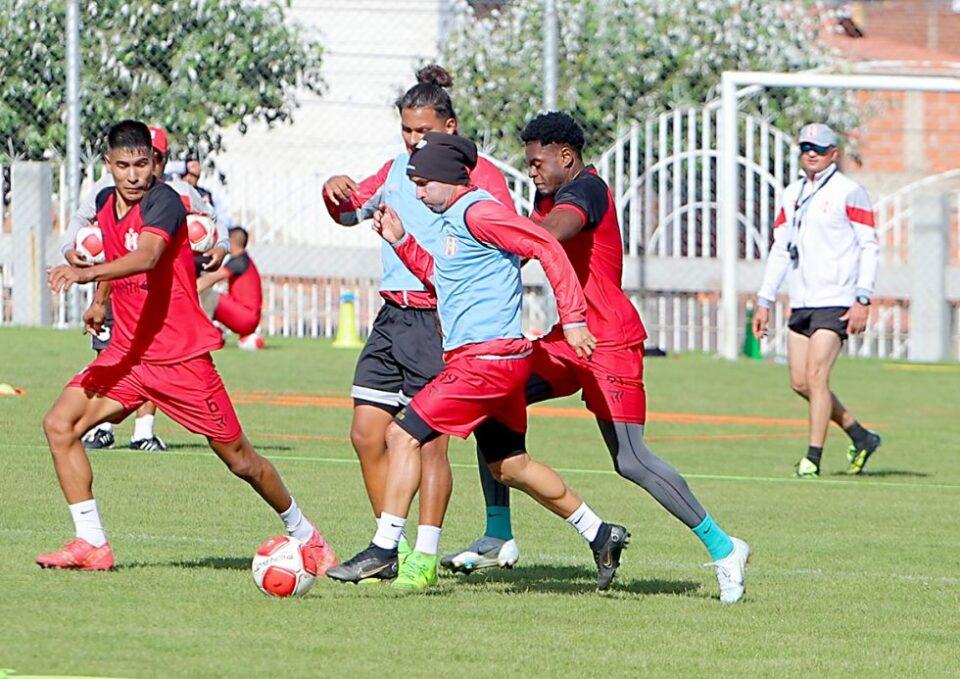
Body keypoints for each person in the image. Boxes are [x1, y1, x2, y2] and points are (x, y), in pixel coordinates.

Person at [442, 113, 750, 604]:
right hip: (569, 339)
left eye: (539, 162)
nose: (533, 172)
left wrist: (513, 236)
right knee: (493, 392)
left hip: (610, 341)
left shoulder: (587, 191)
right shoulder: (549, 193)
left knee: (631, 459)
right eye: (528, 164)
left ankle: (725, 546)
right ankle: (498, 532)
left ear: (567, 156)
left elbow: (555, 231)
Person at [326, 133, 629, 593]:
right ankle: (600, 533)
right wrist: (404, 241)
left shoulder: (480, 211)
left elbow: (546, 248)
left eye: (424, 185)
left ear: (449, 180)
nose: (419, 194)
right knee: (510, 466)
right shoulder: (453, 218)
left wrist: (573, 320)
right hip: (497, 363)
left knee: (401, 435)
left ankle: (385, 548)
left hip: (484, 362)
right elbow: (441, 279)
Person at [38, 120, 336, 573]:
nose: (135, 175)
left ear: (153, 165)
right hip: (128, 354)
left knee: (241, 461)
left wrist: (84, 275)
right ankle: (91, 542)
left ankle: (305, 534)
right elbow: (116, 255)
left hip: (180, 359)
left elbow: (148, 257)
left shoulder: (164, 203)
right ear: (108, 166)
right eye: (124, 166)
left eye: (142, 165)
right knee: (60, 426)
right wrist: (100, 302)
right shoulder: (103, 202)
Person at [321, 65, 516, 576]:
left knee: (427, 443)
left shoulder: (484, 177)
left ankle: (424, 557)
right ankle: (391, 550)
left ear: (450, 127)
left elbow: (512, 245)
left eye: (422, 131)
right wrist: (334, 192)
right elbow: (348, 215)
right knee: (367, 434)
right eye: (406, 130)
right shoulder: (392, 172)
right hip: (392, 318)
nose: (412, 141)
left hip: (439, 321)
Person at [62, 125, 229, 452]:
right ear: (112, 163)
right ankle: (104, 428)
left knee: (232, 449)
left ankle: (143, 430)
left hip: (164, 302)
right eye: (129, 164)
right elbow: (86, 225)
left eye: (155, 159)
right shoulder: (106, 191)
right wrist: (73, 252)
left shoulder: (175, 194)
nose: (143, 170)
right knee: (107, 353)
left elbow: (210, 221)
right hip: (118, 290)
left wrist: (220, 245)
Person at [753, 123, 882, 478]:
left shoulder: (849, 192)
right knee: (800, 382)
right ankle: (860, 435)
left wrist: (862, 298)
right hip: (802, 299)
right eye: (806, 147)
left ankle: (812, 458)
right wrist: (765, 299)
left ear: (834, 154)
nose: (812, 153)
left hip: (837, 298)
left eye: (820, 148)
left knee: (817, 375)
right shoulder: (791, 194)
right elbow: (781, 248)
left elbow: (869, 246)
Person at [197, 226, 263, 343]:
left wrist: (188, 287)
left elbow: (211, 279)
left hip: (245, 317)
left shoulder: (239, 262)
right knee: (210, 295)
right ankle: (215, 333)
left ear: (231, 241)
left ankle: (203, 334)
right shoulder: (244, 260)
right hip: (248, 317)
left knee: (206, 295)